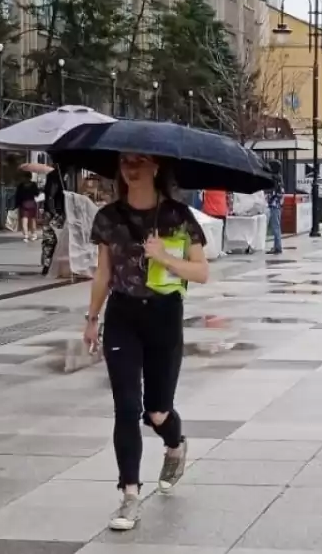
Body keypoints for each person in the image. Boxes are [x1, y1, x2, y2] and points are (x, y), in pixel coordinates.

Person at [84, 154, 209, 532]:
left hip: (164, 315)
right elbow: (103, 273)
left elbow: (201, 272)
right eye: (125, 161)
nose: (131, 167)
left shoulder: (179, 217)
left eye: (139, 161)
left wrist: (165, 257)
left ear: (156, 167)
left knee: (155, 412)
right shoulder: (108, 218)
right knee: (126, 406)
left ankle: (175, 443)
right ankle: (130, 496)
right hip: (122, 316)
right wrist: (91, 319)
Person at [40, 168, 67, 275]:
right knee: (50, 240)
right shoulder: (56, 176)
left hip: (54, 212)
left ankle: (49, 264)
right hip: (53, 213)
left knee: (52, 240)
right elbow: (51, 196)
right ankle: (47, 265)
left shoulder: (61, 175)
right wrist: (54, 212)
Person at [13, 175, 40, 242]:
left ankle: (26, 235)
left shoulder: (21, 185)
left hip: (23, 204)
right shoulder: (33, 184)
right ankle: (34, 234)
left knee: (24, 220)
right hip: (32, 204)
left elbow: (18, 196)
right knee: (32, 220)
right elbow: (37, 193)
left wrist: (16, 205)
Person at [265, 171, 285, 255]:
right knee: (277, 227)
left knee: (275, 227)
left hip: (274, 207)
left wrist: (268, 201)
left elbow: (272, 197)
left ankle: (278, 247)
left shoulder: (275, 188)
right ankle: (277, 246)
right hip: (278, 207)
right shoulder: (280, 186)